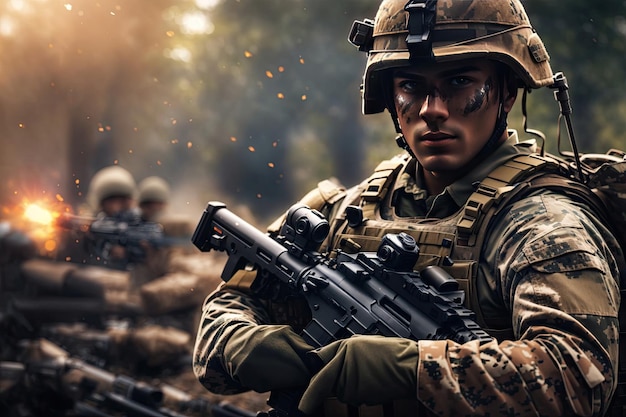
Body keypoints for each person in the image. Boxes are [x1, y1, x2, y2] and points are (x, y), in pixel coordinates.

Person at [192, 1, 623, 416]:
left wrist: (413, 369)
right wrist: (238, 342)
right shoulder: (344, 209)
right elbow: (224, 311)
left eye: (459, 83)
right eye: (411, 87)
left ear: (506, 93)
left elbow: (578, 381)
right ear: (390, 97)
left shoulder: (543, 224)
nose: (432, 111)